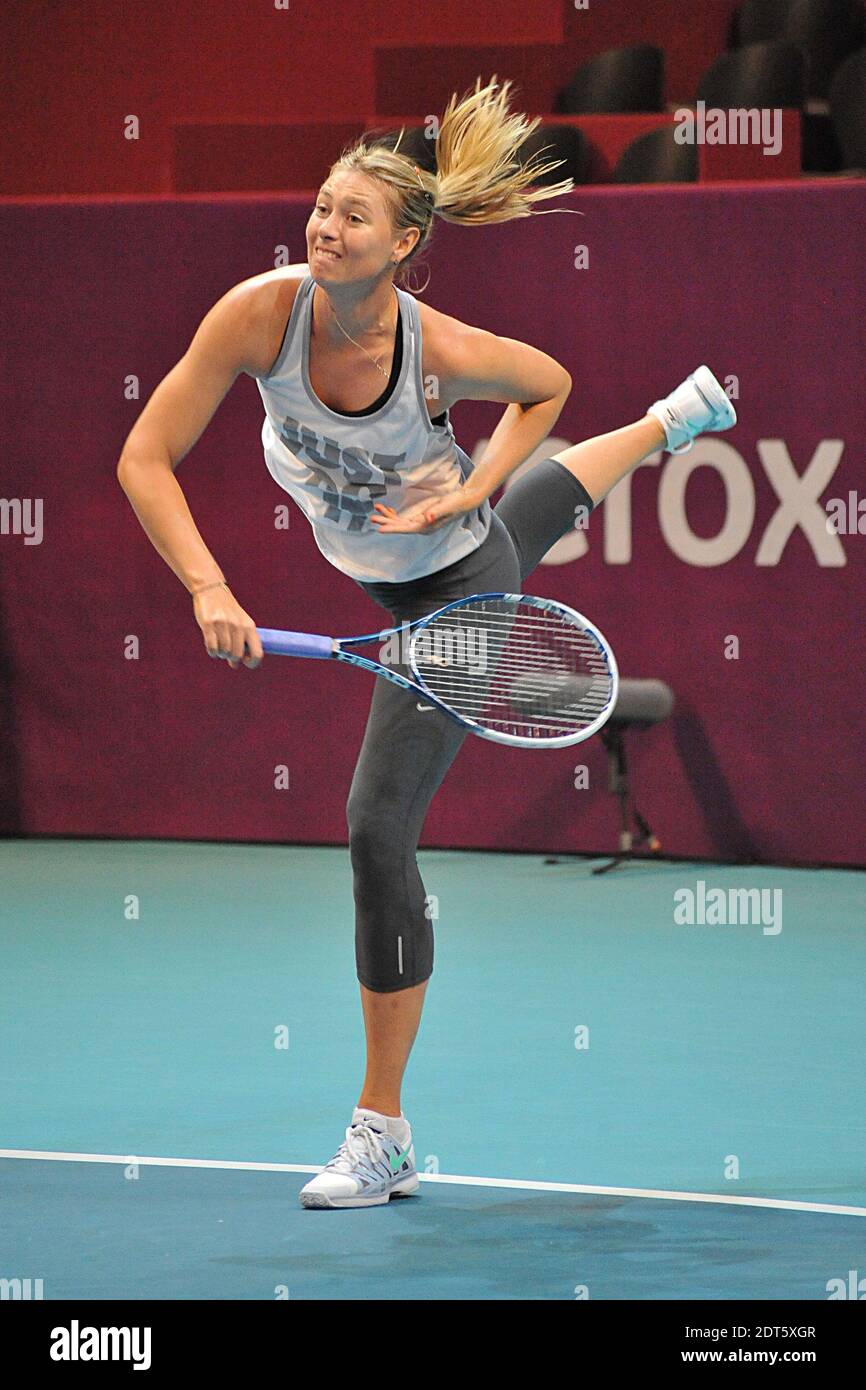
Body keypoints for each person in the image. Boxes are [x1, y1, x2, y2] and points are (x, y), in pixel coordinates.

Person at [117, 78, 736, 1210]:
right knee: (538, 515)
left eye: (353, 216)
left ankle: (383, 1129)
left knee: (373, 824)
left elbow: (544, 385)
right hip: (383, 562)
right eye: (318, 206)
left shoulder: (434, 346)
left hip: (453, 588)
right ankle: (670, 420)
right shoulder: (259, 315)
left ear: (403, 243)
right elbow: (143, 457)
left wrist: (470, 494)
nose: (324, 227)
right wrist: (207, 584)